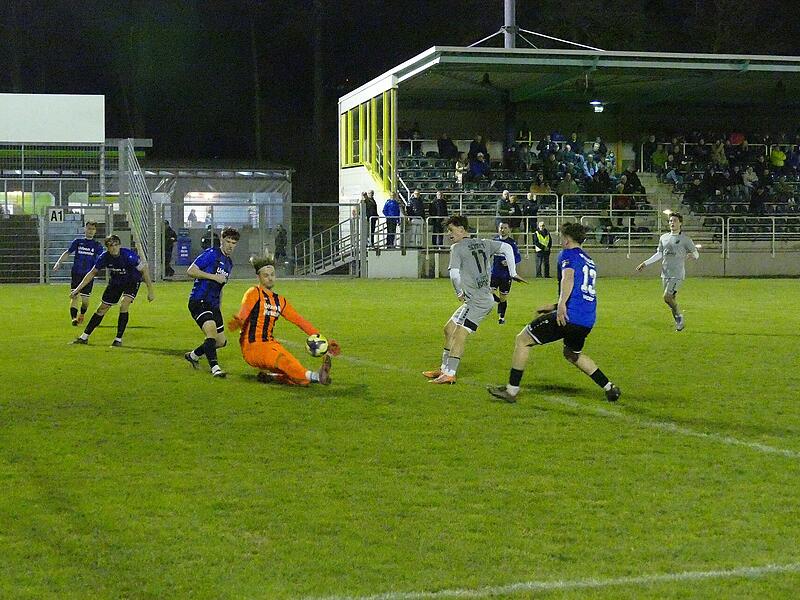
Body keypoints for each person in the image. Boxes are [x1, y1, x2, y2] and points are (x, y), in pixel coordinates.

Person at [486, 222, 621, 404]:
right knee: (572, 354)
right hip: (586, 319)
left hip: (569, 315)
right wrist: (554, 305)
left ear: (566, 240)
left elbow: (568, 278)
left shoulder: (567, 254)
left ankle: (511, 391)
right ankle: (609, 387)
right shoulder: (588, 260)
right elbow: (580, 291)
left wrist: (562, 305)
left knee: (523, 340)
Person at [422, 215, 525, 385]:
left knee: (459, 333)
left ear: (462, 230)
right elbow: (506, 247)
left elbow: (454, 275)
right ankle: (444, 368)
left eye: (451, 230)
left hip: (478, 301)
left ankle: (450, 374)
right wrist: (512, 272)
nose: (449, 234)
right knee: (449, 329)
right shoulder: (484, 242)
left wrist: (459, 292)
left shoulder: (457, 247)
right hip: (480, 298)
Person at [227, 254, 341, 386]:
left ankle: (272, 376)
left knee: (297, 375)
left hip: (271, 344)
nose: (270, 278)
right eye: (266, 275)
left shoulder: (280, 301)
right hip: (253, 347)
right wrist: (240, 320)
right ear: (258, 277)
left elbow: (299, 321)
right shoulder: (253, 293)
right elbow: (244, 311)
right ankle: (317, 376)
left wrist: (325, 340)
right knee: (283, 361)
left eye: (272, 274)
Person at [69, 234, 155, 346]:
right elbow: (91, 274)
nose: (113, 247)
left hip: (132, 281)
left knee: (124, 304)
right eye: (110, 245)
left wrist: (150, 291)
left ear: (119, 245)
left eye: (115, 245)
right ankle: (84, 337)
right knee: (101, 309)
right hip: (116, 282)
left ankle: (118, 339)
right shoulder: (104, 257)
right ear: (107, 247)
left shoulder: (128, 256)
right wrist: (77, 289)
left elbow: (144, 270)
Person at [184, 227, 240, 378]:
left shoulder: (229, 263)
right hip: (199, 300)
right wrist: (214, 277)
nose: (230, 245)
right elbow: (191, 271)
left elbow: (220, 287)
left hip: (213, 305)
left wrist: (219, 306)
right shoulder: (211, 254)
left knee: (221, 342)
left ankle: (194, 355)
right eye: (227, 241)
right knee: (211, 333)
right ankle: (215, 368)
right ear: (221, 240)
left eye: (233, 243)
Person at [636, 212, 699, 331]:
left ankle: (679, 318)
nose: (672, 223)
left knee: (667, 297)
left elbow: (696, 254)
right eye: (670, 221)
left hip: (677, 274)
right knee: (671, 300)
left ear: (680, 223)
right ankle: (679, 322)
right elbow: (659, 254)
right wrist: (645, 263)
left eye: (675, 220)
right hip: (665, 273)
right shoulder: (663, 238)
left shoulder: (685, 239)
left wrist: (692, 256)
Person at [53, 221, 104, 326]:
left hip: (88, 275)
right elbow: (68, 252)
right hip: (76, 273)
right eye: (89, 228)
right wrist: (59, 262)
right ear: (85, 229)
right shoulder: (78, 241)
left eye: (93, 229)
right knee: (74, 295)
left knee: (85, 300)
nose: (90, 231)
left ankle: (82, 313)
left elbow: (103, 258)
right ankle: (74, 319)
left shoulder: (97, 245)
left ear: (95, 231)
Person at [491, 222, 522, 325]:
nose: (502, 230)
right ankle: (498, 301)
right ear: (498, 229)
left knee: (504, 296)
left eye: (505, 228)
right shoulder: (494, 241)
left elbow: (518, 257)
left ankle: (501, 317)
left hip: (505, 275)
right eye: (501, 228)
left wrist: (508, 262)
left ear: (509, 230)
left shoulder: (512, 243)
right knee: (488, 292)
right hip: (494, 273)